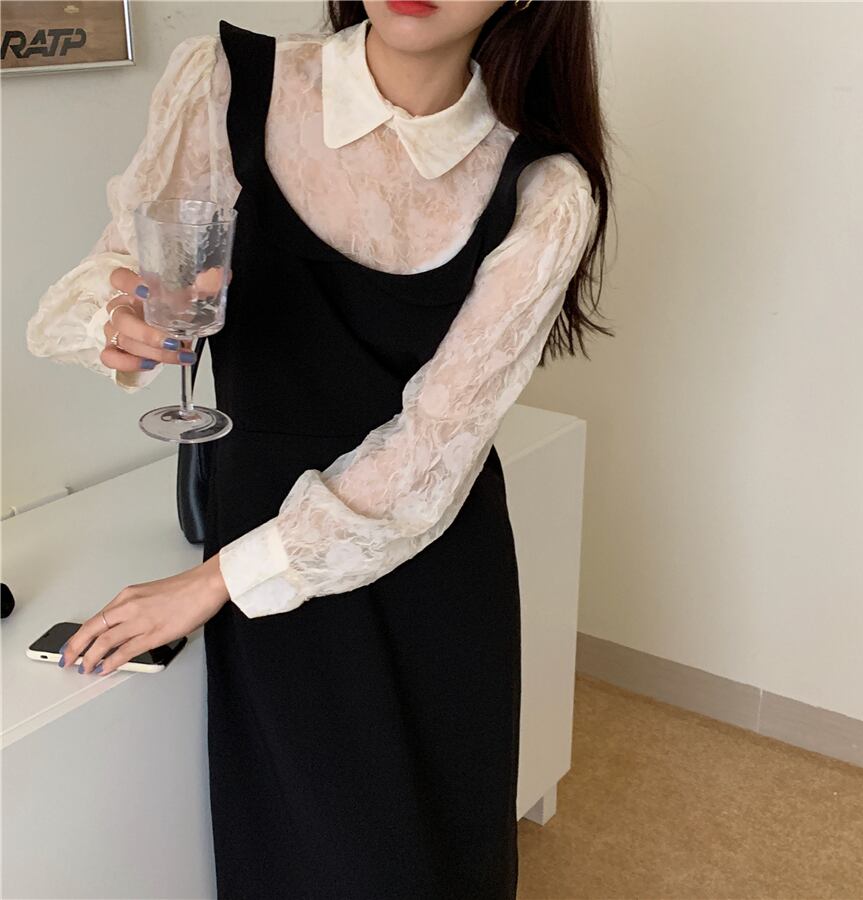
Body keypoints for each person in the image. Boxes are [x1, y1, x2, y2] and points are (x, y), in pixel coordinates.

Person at [26, 1, 614, 896]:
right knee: (292, 858)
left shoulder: (545, 188)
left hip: (425, 570)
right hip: (264, 558)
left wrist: (213, 581)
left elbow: (433, 451)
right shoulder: (225, 85)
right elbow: (123, 264)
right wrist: (124, 319)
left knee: (430, 863)